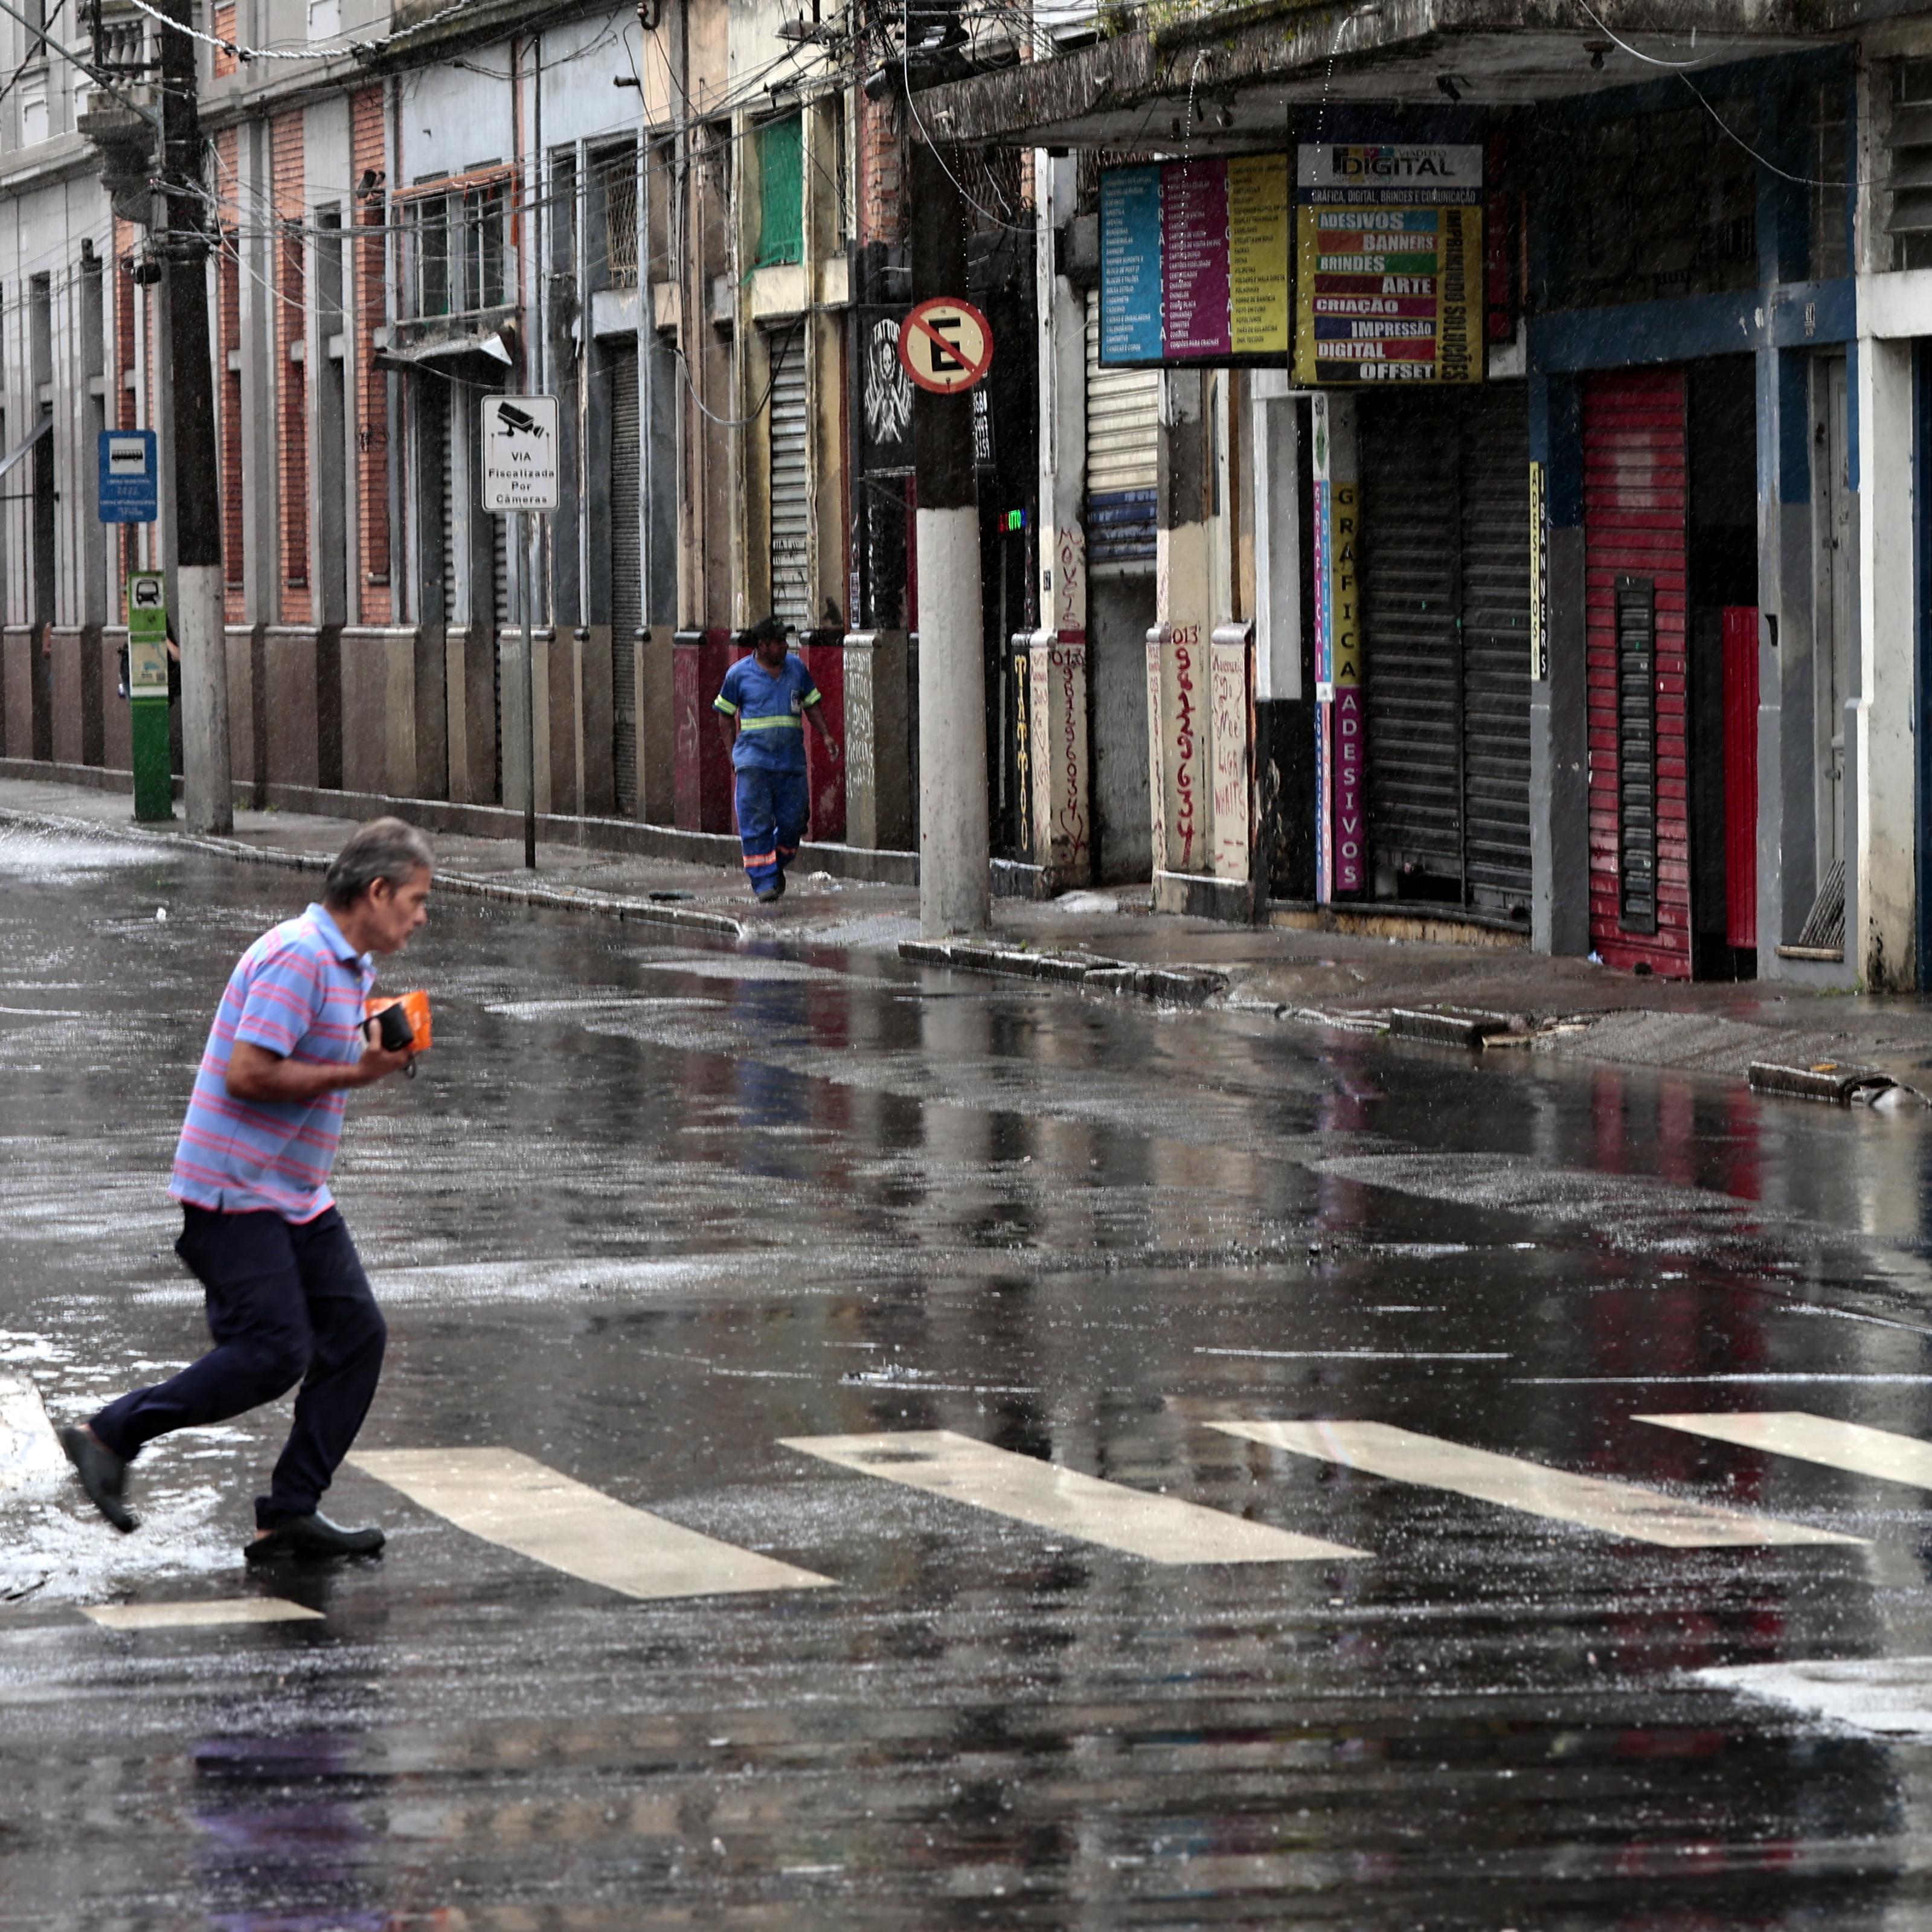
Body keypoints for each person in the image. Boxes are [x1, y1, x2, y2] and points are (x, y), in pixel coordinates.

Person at [60, 818, 434, 1562]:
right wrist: (354, 1073)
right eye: (417, 900)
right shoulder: (298, 956)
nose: (421, 917)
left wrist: (376, 1038)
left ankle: (290, 1512)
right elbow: (249, 1073)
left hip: (295, 1191)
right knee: (272, 1350)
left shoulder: (347, 966)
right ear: (377, 890)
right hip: (234, 1191)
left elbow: (309, 1040)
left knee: (357, 1336)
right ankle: (109, 1434)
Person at [713, 616, 839, 902]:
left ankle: (773, 865)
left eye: (786, 641)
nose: (785, 646)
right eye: (779, 642)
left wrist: (827, 736)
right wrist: (732, 752)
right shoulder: (738, 675)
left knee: (794, 821)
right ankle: (764, 883)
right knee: (755, 822)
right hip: (753, 762)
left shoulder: (796, 669)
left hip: (790, 763)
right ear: (762, 646)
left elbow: (812, 703)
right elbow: (724, 716)